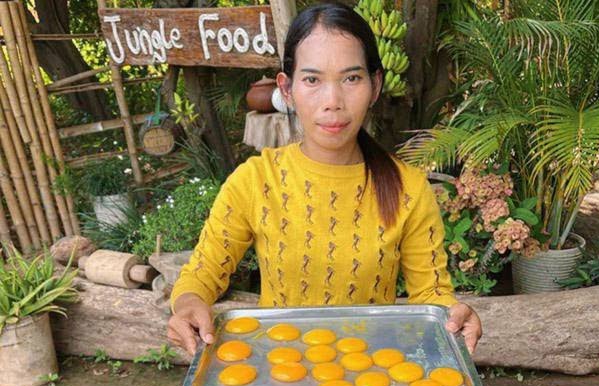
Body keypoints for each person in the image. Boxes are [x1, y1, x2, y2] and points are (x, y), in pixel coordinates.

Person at [167, 1, 481, 355]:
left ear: (375, 85)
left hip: (372, 378)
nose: (332, 101)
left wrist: (452, 316)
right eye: (313, 80)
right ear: (287, 89)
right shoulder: (255, 181)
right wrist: (189, 303)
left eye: (351, 78)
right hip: (280, 376)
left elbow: (432, 295)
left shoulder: (408, 188)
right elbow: (203, 272)